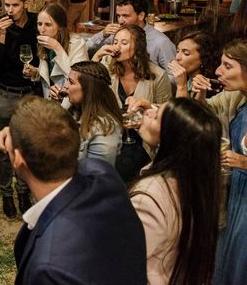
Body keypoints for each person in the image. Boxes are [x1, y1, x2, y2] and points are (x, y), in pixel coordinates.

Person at [0, 97, 146, 285]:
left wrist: (19, 141)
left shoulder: (49, 269)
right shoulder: (102, 173)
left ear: (19, 160)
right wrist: (22, 133)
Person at [127, 98, 221, 285]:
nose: (148, 113)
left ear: (170, 138)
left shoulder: (150, 194)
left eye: (156, 117)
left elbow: (133, 262)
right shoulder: (198, 182)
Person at [190, 40, 247, 284]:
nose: (217, 72)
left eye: (227, 66)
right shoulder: (237, 97)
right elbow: (199, 119)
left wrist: (244, 163)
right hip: (237, 196)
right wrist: (198, 94)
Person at [92, 25, 171, 182]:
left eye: (124, 42)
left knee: (125, 167)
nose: (117, 47)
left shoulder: (157, 75)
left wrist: (145, 109)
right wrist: (96, 57)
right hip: (111, 134)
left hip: (143, 140)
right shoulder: (108, 68)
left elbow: (166, 116)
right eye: (115, 42)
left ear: (138, 47)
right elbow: (89, 90)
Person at [0, 0, 39, 218]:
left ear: (25, 3)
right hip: (4, 93)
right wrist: (0, 36)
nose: (10, 10)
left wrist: (35, 72)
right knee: (3, 146)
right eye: (7, 5)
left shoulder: (37, 24)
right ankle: (6, 193)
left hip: (29, 93)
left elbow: (45, 57)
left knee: (25, 145)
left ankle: (23, 191)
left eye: (15, 5)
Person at [88, 0, 176, 75]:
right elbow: (87, 49)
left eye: (125, 16)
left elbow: (173, 76)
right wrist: (102, 34)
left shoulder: (161, 42)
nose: (120, 21)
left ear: (141, 15)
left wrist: (151, 79)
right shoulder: (116, 34)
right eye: (118, 16)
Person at [55, 61, 122, 167]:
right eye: (67, 80)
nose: (65, 86)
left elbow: (97, 176)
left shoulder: (105, 128)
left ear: (89, 89)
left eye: (71, 82)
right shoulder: (74, 112)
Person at [23, 3, 88, 99]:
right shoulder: (44, 43)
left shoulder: (77, 44)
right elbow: (52, 73)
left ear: (60, 26)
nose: (42, 29)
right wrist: (36, 73)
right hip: (51, 102)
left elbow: (79, 79)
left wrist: (58, 48)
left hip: (71, 101)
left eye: (48, 25)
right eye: (39, 24)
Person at [168, 31, 220, 98]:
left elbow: (182, 108)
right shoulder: (185, 79)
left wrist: (182, 87)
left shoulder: (209, 86)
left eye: (186, 53)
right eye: (177, 51)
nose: (177, 57)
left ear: (203, 58)